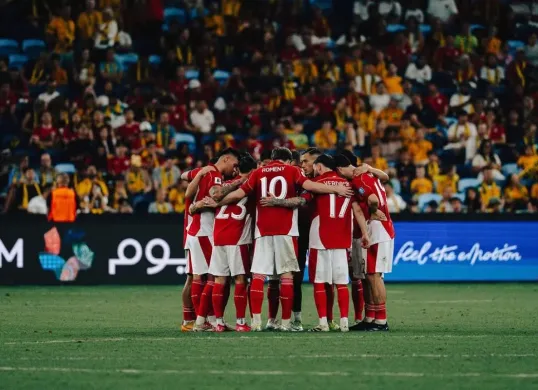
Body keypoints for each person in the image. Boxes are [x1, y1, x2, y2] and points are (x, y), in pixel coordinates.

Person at [215, 147, 353, 331]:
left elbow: (238, 194)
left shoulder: (258, 172)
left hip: (262, 230)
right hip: (286, 229)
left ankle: (256, 322)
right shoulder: (292, 170)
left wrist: (217, 201)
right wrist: (335, 188)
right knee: (287, 275)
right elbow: (311, 187)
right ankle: (287, 322)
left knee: (258, 275)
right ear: (287, 161)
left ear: (272, 159)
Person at [191, 155, 258, 332]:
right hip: (238, 237)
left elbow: (215, 195)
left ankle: (218, 322)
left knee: (219, 279)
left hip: (218, 236)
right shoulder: (252, 185)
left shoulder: (226, 185)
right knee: (240, 279)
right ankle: (241, 322)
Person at [335, 154, 395, 331]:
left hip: (378, 229)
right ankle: (370, 317)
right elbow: (384, 178)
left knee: (374, 275)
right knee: (368, 276)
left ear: (339, 169)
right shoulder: (367, 175)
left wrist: (373, 211)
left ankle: (381, 320)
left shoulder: (359, 179)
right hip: (375, 229)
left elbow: (373, 200)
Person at [184, 148, 241, 331]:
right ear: (226, 159)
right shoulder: (215, 174)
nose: (235, 169)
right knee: (213, 276)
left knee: (198, 277)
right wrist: (241, 182)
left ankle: (201, 320)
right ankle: (206, 320)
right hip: (204, 229)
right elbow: (216, 194)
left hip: (195, 229)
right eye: (234, 164)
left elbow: (186, 183)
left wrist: (198, 175)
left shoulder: (205, 171)